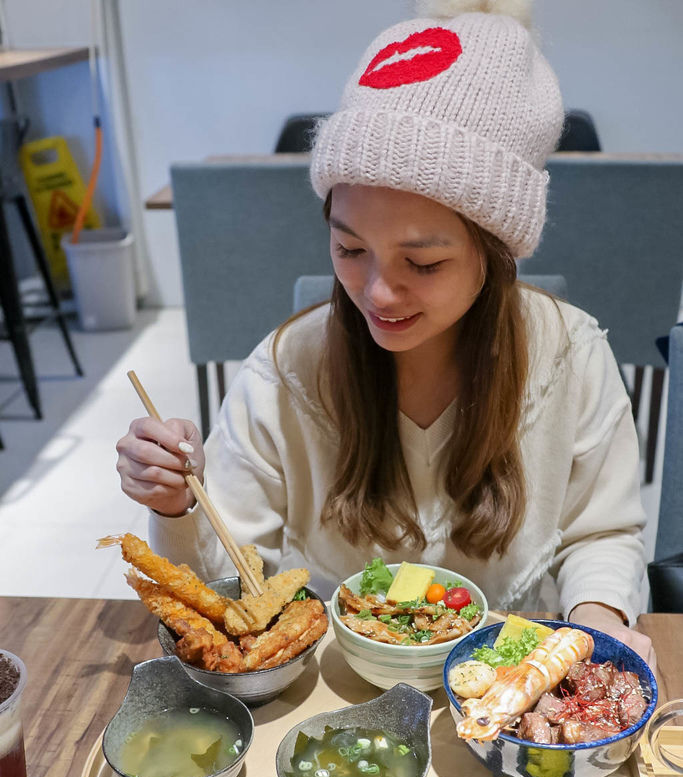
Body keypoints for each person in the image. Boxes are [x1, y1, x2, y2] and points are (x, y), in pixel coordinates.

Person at [116, 0, 655, 668]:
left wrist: (597, 626)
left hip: (511, 676)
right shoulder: (287, 369)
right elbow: (226, 578)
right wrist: (174, 504)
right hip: (329, 684)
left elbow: (600, 534)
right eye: (348, 250)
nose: (376, 292)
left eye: (422, 263)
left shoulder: (568, 353)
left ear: (496, 252)